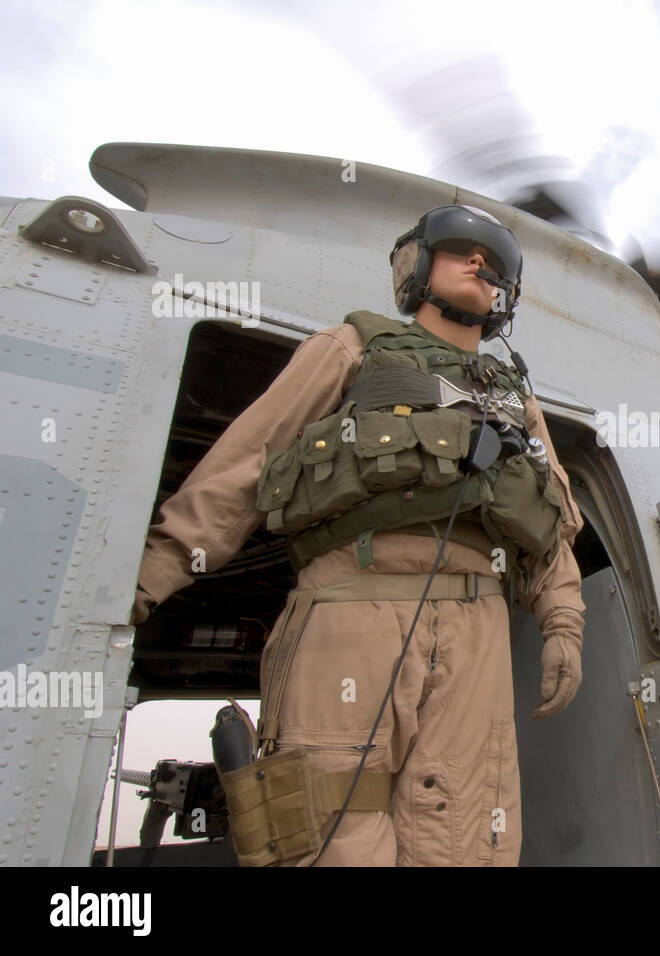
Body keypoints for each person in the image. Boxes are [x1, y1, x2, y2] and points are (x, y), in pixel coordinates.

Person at [132, 205, 586, 866]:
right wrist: (159, 568)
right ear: (417, 267)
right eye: (461, 250)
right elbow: (249, 461)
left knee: (464, 829)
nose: (478, 264)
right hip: (351, 603)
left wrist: (563, 623)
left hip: (477, 628)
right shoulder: (354, 347)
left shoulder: (516, 398)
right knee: (332, 815)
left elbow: (549, 524)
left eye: (492, 263)